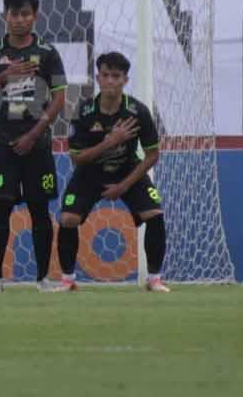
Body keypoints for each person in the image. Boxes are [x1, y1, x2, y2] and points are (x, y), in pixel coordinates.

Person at [0, 0, 68, 293]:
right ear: (5, 16)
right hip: (3, 144)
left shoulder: (48, 52)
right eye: (14, 14)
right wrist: (4, 76)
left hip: (36, 144)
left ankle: (42, 279)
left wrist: (34, 134)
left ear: (35, 16)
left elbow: (60, 98)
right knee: (1, 208)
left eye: (26, 14)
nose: (20, 20)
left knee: (40, 209)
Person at [58, 52, 171, 292]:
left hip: (128, 170)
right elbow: (77, 159)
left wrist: (124, 186)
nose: (110, 81)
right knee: (68, 219)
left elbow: (152, 155)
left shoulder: (138, 111)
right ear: (97, 78)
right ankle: (68, 280)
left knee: (155, 213)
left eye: (116, 76)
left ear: (125, 80)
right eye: (105, 75)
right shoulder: (83, 111)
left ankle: (154, 279)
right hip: (90, 173)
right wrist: (110, 142)